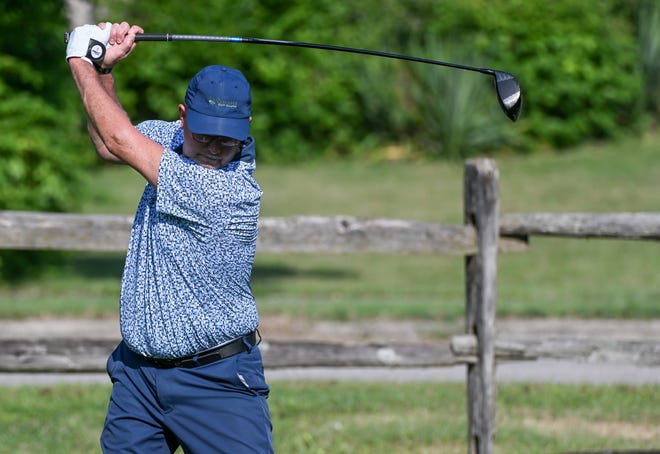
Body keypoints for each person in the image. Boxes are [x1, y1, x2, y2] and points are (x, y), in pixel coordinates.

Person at [66, 21, 273, 453]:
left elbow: (121, 138)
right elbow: (108, 142)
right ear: (182, 118)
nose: (215, 148)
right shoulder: (172, 142)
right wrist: (104, 70)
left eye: (228, 139)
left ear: (247, 127)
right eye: (204, 134)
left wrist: (79, 59)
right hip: (138, 379)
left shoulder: (228, 191)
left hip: (217, 382)